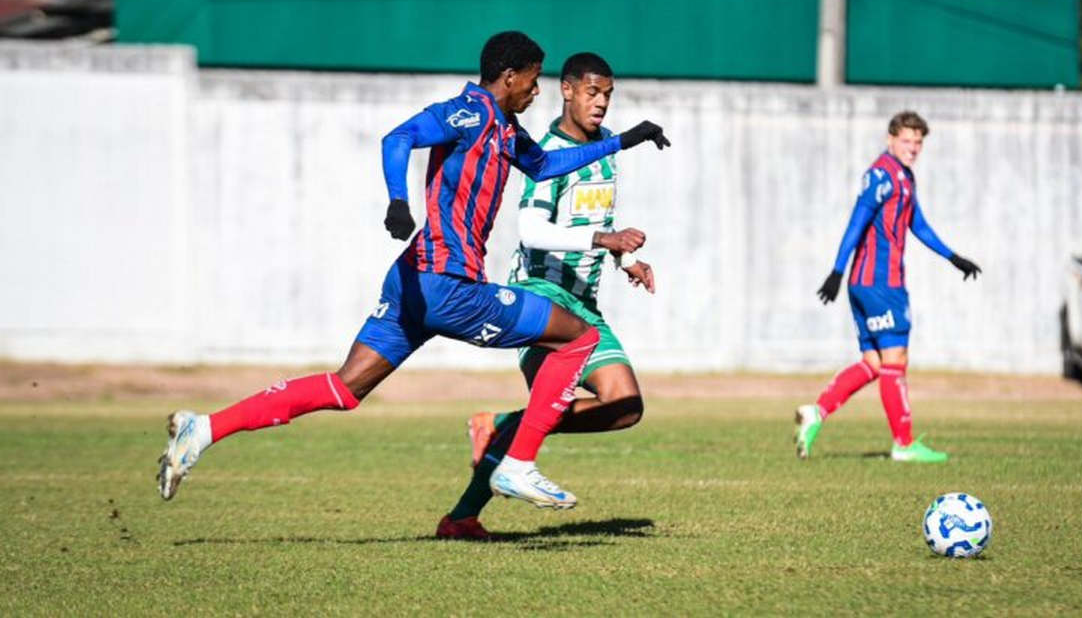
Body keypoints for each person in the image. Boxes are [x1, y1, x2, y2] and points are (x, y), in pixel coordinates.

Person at [156, 31, 670, 510]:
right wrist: (398, 201)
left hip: (410, 282)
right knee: (576, 338)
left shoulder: (504, 131)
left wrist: (622, 141)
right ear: (510, 77)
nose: (537, 92)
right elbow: (397, 138)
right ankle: (516, 463)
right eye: (534, 80)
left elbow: (546, 165)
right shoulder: (466, 113)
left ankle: (202, 430)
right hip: (449, 286)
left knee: (344, 389)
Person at [435, 51, 655, 541]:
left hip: (585, 304)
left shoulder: (603, 150)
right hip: (541, 299)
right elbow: (532, 229)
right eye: (593, 93)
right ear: (569, 91)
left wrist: (626, 260)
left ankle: (471, 496)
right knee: (555, 408)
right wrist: (605, 242)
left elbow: (591, 224)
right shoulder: (549, 152)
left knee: (625, 407)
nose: (601, 104)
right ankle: (472, 501)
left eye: (608, 95)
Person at [795, 111, 980, 463]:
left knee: (875, 362)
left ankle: (815, 414)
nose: (912, 148)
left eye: (918, 142)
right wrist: (835, 270)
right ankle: (904, 444)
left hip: (871, 283)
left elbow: (919, 225)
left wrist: (953, 257)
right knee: (897, 359)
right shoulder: (881, 175)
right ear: (890, 139)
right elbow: (857, 220)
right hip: (879, 283)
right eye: (906, 141)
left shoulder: (904, 177)